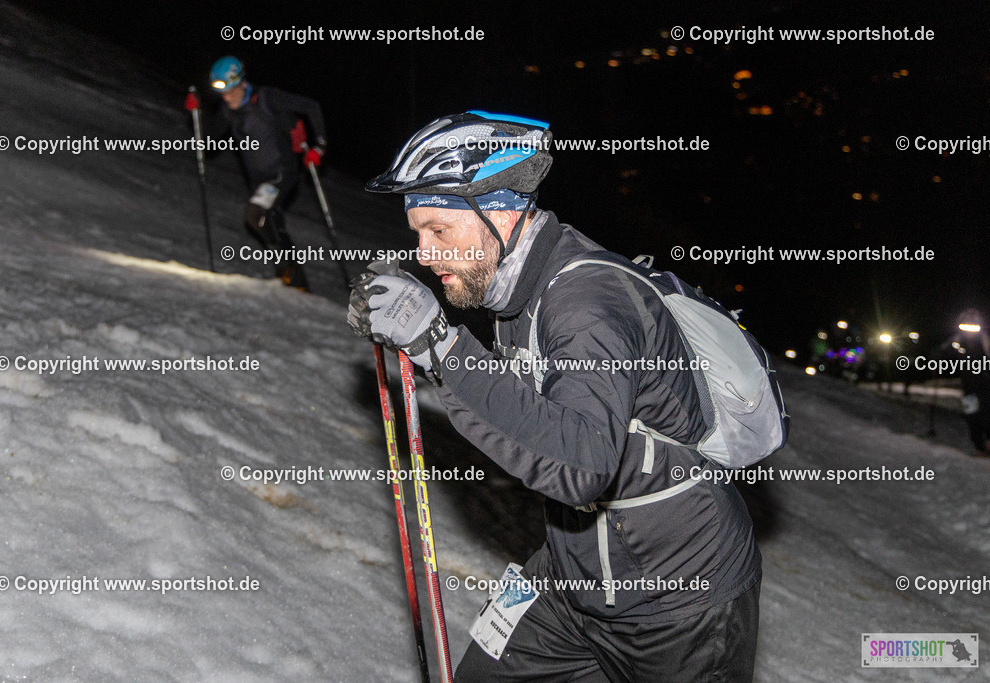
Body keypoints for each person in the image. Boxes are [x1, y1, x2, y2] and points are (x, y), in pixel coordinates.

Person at [348, 112, 761, 681]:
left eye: (438, 230)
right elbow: (527, 411)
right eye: (417, 233)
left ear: (499, 211)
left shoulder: (587, 304)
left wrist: (441, 347)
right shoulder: (518, 285)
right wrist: (423, 342)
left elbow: (582, 463)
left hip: (677, 602)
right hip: (574, 578)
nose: (423, 252)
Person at [196, 56, 327, 290]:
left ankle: (286, 273)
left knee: (255, 215)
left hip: (281, 173)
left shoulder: (266, 98)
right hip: (257, 180)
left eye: (231, 92)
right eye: (223, 94)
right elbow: (209, 139)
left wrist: (319, 146)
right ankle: (297, 285)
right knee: (272, 223)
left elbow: (311, 107)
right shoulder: (229, 111)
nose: (227, 98)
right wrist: (195, 113)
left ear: (242, 83)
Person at [946, 309, 990, 455]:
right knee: (972, 415)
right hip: (968, 385)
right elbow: (947, 352)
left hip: (985, 383)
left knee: (986, 413)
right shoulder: (958, 339)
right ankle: (978, 447)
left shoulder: (984, 338)